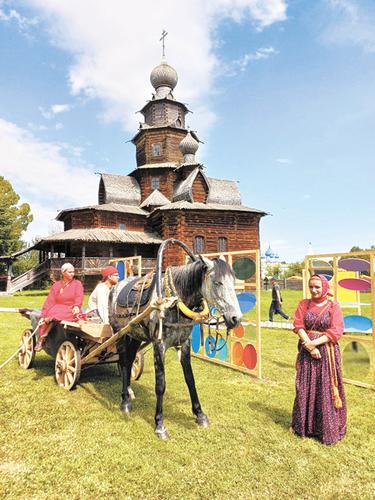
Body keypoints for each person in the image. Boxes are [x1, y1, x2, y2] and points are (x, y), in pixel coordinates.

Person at [291, 274, 346, 445]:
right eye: (311, 286)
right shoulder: (304, 304)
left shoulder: (333, 307)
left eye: (317, 287)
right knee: (304, 386)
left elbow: (336, 331)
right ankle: (304, 426)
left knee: (326, 389)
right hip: (307, 352)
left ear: (324, 287)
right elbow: (298, 325)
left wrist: (314, 344)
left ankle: (325, 428)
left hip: (326, 353)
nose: (314, 290)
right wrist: (309, 346)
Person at [35, 263, 84, 351]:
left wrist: (77, 305)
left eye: (73, 272)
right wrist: (43, 316)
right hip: (58, 308)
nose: (72, 274)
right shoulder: (56, 285)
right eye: (70, 272)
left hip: (72, 308)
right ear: (63, 273)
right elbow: (49, 301)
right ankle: (42, 337)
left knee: (80, 318)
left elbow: (79, 296)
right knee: (53, 315)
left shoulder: (77, 284)